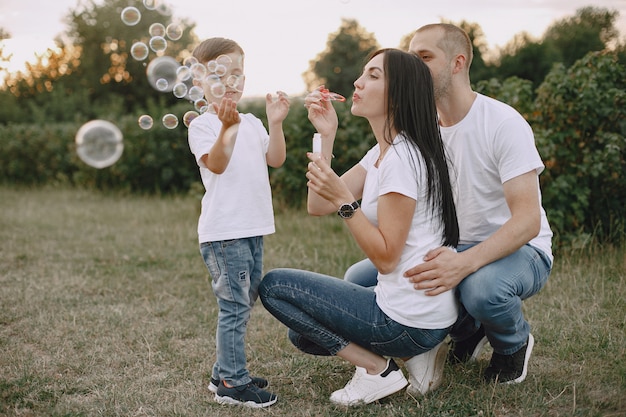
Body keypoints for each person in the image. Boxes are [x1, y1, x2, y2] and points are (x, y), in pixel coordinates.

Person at [344, 23, 554, 385]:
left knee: (481, 290)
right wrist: (326, 134)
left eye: (425, 57)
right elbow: (340, 189)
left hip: (519, 249)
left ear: (458, 63)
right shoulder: (416, 129)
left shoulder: (502, 123)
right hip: (446, 247)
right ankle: (467, 330)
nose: (414, 66)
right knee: (357, 282)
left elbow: (527, 222)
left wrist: (464, 263)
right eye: (411, 58)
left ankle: (512, 345)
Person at [258, 48, 460, 406]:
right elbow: (317, 205)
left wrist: (347, 205)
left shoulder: (402, 159)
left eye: (373, 75)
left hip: (406, 320)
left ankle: (377, 370)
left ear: (398, 94)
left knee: (274, 287)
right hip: (413, 311)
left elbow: (385, 258)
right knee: (302, 335)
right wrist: (326, 134)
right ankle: (415, 357)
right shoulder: (384, 152)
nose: (357, 81)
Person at [187, 37, 290, 408]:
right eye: (220, 73)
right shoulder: (202, 125)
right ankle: (232, 383)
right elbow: (216, 163)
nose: (232, 80)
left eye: (238, 73)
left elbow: (275, 159)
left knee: (243, 300)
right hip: (225, 233)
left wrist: (275, 123)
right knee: (234, 306)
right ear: (199, 81)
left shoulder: (250, 122)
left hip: (252, 228)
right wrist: (225, 128)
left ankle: (222, 371)